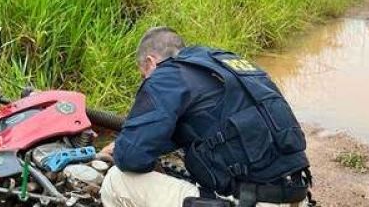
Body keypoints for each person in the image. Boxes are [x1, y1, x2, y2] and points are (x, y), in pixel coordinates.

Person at [100, 27, 313, 207]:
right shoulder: (227, 64)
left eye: (142, 74)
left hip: (251, 200)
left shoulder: (165, 75)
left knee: (116, 181)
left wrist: (121, 150)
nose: (144, 80)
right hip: (296, 194)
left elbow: (131, 158)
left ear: (150, 62)